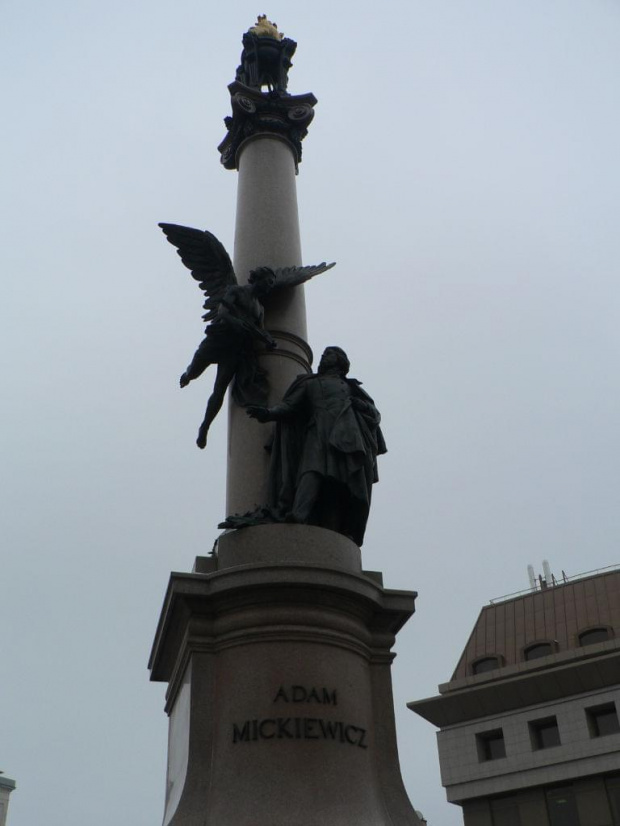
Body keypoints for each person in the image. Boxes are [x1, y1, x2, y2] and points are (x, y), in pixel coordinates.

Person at [246, 346, 386, 546]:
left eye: (328, 354)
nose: (323, 357)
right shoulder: (309, 383)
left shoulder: (351, 387)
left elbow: (374, 415)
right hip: (317, 433)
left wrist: (360, 405)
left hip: (347, 436)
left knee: (340, 484)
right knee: (310, 471)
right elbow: (289, 406)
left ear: (340, 361)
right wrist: (268, 414)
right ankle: (297, 514)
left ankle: (338, 530)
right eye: (324, 355)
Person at [181, 268, 277, 448]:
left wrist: (268, 341)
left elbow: (259, 331)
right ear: (258, 278)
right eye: (269, 282)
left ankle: (205, 426)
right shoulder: (236, 291)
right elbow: (224, 312)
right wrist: (238, 323)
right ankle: (187, 375)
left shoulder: (260, 309)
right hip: (219, 338)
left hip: (235, 349)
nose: (271, 286)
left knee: (220, 389)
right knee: (194, 370)